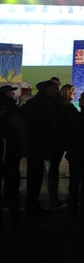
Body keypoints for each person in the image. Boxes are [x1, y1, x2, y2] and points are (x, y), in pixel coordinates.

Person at [21, 79, 60, 216]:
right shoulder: (42, 104)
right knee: (35, 175)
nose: (56, 91)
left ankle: (32, 203)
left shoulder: (36, 103)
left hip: (36, 145)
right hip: (37, 145)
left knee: (35, 174)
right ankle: (32, 204)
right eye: (54, 89)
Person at [0, 83, 27, 232]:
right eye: (11, 93)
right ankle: (14, 221)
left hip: (7, 151)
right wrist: (23, 147)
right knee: (12, 187)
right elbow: (20, 131)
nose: (14, 95)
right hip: (10, 152)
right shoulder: (12, 111)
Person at [48, 83, 78, 209]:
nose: (75, 94)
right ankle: (58, 198)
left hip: (57, 140)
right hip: (64, 140)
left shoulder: (57, 105)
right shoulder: (68, 107)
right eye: (73, 92)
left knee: (53, 168)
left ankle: (53, 197)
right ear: (68, 93)